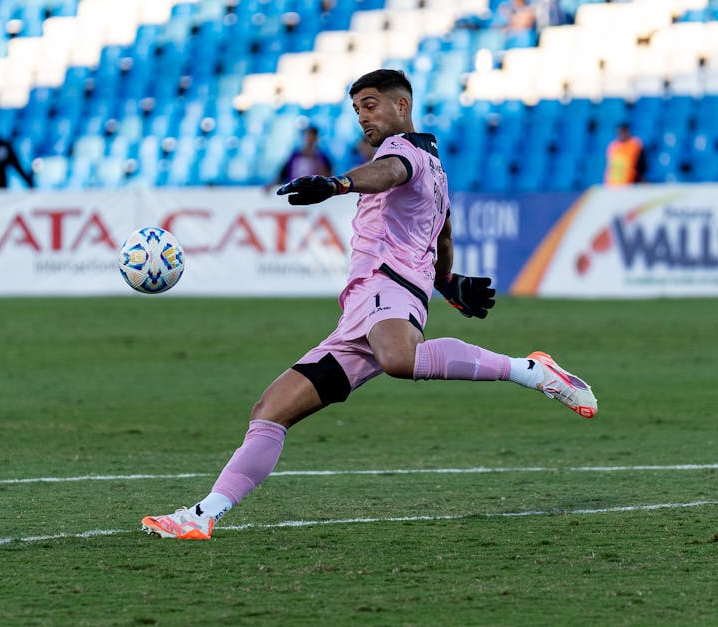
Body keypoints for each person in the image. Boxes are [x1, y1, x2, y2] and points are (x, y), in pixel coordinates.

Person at [141, 69, 597, 541]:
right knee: (270, 410)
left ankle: (530, 369)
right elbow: (443, 231)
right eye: (357, 108)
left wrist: (337, 184)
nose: (363, 117)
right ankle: (202, 515)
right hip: (360, 314)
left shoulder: (401, 152)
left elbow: (387, 174)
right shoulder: (435, 167)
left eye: (371, 104)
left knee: (399, 358)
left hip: (388, 290)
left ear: (402, 105)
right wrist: (446, 281)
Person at [267, 126, 333, 190]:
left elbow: (328, 177)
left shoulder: (322, 158)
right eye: (308, 135)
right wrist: (272, 185)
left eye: (313, 136)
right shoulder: (295, 156)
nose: (310, 139)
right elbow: (283, 174)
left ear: (316, 138)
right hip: (295, 190)